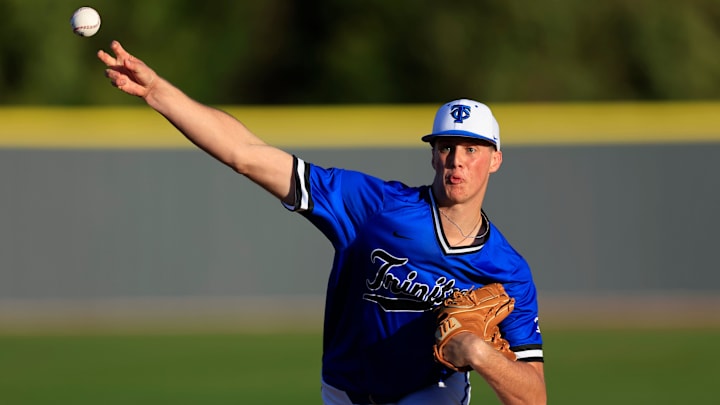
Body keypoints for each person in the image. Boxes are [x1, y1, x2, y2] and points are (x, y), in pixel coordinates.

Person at [98, 40, 546, 405]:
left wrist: (481, 355)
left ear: (495, 160)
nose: (456, 161)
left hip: (429, 392)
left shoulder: (507, 271)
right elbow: (248, 157)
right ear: (432, 154)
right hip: (344, 390)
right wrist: (158, 92)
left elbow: (534, 396)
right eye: (447, 146)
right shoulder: (373, 207)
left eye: (471, 149)